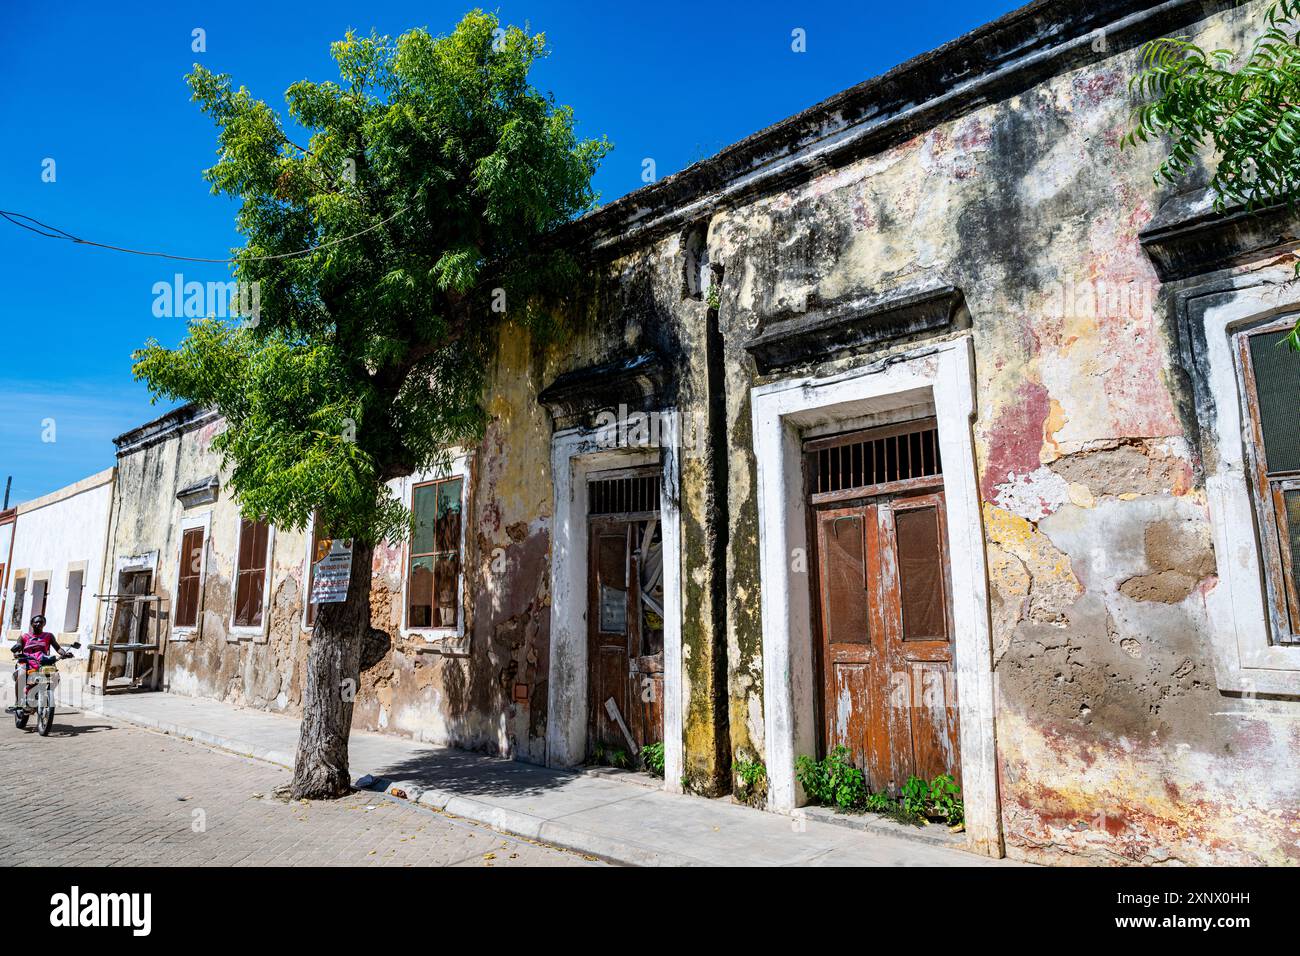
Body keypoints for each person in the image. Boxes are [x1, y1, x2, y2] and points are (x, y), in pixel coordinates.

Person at [10, 614, 71, 710]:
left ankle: (48, 694)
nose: (38, 624)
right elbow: (18, 646)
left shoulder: (49, 636)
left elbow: (58, 648)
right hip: (27, 662)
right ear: (31, 624)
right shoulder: (23, 637)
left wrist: (64, 653)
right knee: (21, 675)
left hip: (43, 663)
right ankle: (18, 702)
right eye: (36, 622)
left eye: (41, 622)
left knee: (55, 676)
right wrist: (17, 653)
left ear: (44, 624)